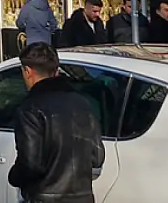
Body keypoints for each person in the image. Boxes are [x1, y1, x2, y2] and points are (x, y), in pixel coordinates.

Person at [9, 42, 105, 203]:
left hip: (43, 197)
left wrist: (14, 176)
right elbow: (97, 157)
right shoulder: (82, 103)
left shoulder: (30, 108)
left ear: (28, 72)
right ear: (56, 71)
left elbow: (31, 163)